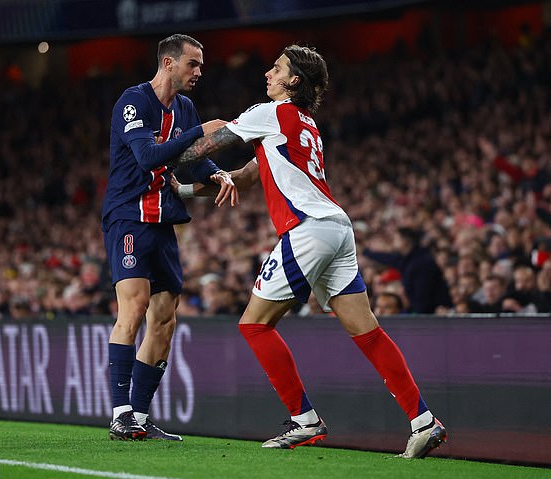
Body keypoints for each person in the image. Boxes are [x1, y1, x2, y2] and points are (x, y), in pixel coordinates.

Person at [170, 44, 447, 457]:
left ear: (292, 80)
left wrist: (161, 158)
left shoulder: (268, 112)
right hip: (338, 228)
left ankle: (304, 420)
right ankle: (423, 420)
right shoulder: (305, 124)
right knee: (367, 332)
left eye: (276, 68)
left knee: (254, 325)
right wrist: (185, 189)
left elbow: (205, 148)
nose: (268, 73)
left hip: (307, 230)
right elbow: (245, 177)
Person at [101, 34, 237, 442]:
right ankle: (120, 413)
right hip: (127, 216)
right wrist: (198, 132)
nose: (199, 71)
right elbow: (147, 157)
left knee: (164, 318)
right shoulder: (133, 101)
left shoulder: (185, 108)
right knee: (136, 305)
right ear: (168, 63)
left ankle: (140, 418)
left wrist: (215, 171)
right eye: (193, 64)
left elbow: (190, 160)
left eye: (200, 64)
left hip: (162, 221)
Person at [363, 227, 452, 314]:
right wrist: (367, 252)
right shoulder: (407, 259)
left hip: (431, 314)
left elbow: (422, 295)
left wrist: (417, 316)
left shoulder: (422, 263)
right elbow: (388, 258)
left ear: (405, 241)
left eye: (396, 239)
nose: (393, 241)